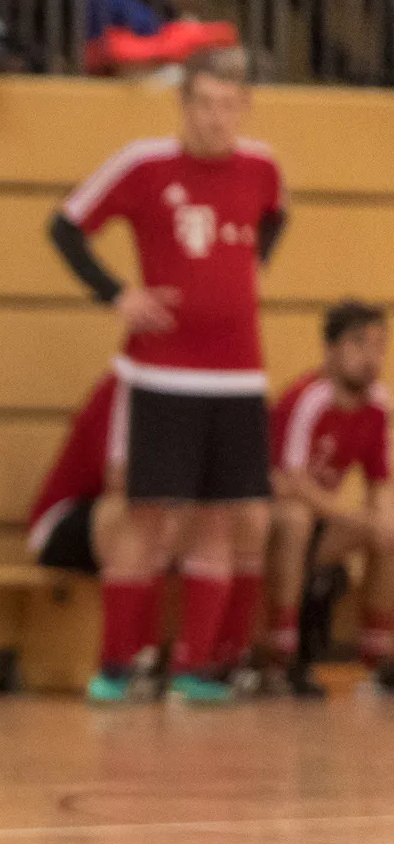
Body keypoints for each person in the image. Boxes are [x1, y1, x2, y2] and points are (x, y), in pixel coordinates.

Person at [49, 46, 286, 707]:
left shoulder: (262, 167)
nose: (217, 117)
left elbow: (277, 215)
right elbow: (66, 227)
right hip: (163, 376)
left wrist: (250, 270)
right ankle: (118, 666)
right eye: (204, 104)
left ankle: (195, 669)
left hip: (238, 377)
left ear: (245, 107)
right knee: (147, 515)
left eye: (229, 105)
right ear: (184, 106)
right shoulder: (143, 165)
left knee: (219, 519)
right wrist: (117, 294)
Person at [267, 302, 393, 698]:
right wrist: (357, 518)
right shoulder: (307, 397)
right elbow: (288, 481)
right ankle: (284, 659)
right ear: (329, 349)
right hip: (271, 529)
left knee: (389, 527)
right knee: (296, 518)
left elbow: (380, 480)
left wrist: (382, 518)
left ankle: (378, 663)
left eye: (380, 346)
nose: (371, 357)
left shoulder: (378, 404)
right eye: (358, 344)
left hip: (321, 524)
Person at [27, 370, 124, 578]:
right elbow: (120, 481)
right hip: (68, 517)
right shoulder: (125, 385)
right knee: (140, 518)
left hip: (155, 516)